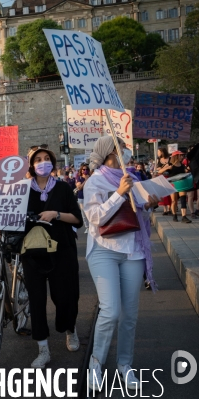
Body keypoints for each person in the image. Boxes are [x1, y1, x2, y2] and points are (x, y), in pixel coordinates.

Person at [84, 136, 160, 390]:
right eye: (122, 149)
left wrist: (149, 205)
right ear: (110, 155)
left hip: (133, 251)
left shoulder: (135, 179)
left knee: (129, 315)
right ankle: (96, 363)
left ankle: (125, 365)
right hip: (104, 250)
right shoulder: (94, 181)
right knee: (111, 311)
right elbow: (95, 217)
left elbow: (138, 215)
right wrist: (119, 194)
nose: (127, 152)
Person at [22, 146, 83, 368]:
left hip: (62, 251)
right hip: (32, 253)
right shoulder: (22, 190)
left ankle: (70, 329)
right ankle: (43, 349)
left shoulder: (63, 188)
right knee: (36, 301)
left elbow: (77, 219)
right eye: (38, 159)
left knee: (65, 296)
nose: (42, 162)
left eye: (47, 158)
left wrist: (55, 214)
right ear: (31, 165)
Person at [161, 150, 192, 223]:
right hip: (173, 184)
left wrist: (187, 171)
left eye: (182, 155)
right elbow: (160, 172)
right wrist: (166, 169)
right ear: (176, 156)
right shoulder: (170, 165)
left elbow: (183, 173)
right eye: (181, 155)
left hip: (181, 184)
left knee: (183, 199)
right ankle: (174, 215)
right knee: (174, 201)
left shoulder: (182, 165)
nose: (182, 157)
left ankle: (184, 217)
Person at [155, 147, 172, 215]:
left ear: (162, 152)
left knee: (169, 193)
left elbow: (171, 167)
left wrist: (162, 168)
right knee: (164, 194)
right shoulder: (158, 160)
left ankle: (170, 208)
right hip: (161, 177)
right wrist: (164, 168)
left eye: (159, 152)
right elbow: (156, 168)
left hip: (169, 177)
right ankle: (165, 209)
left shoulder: (170, 159)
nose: (158, 153)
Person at [75, 164, 90, 233]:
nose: (85, 170)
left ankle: (92, 226)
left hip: (90, 196)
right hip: (82, 197)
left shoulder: (91, 177)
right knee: (84, 213)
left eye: (86, 169)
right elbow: (79, 187)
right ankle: (87, 227)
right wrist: (85, 181)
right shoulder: (79, 178)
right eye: (84, 169)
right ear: (81, 170)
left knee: (90, 211)